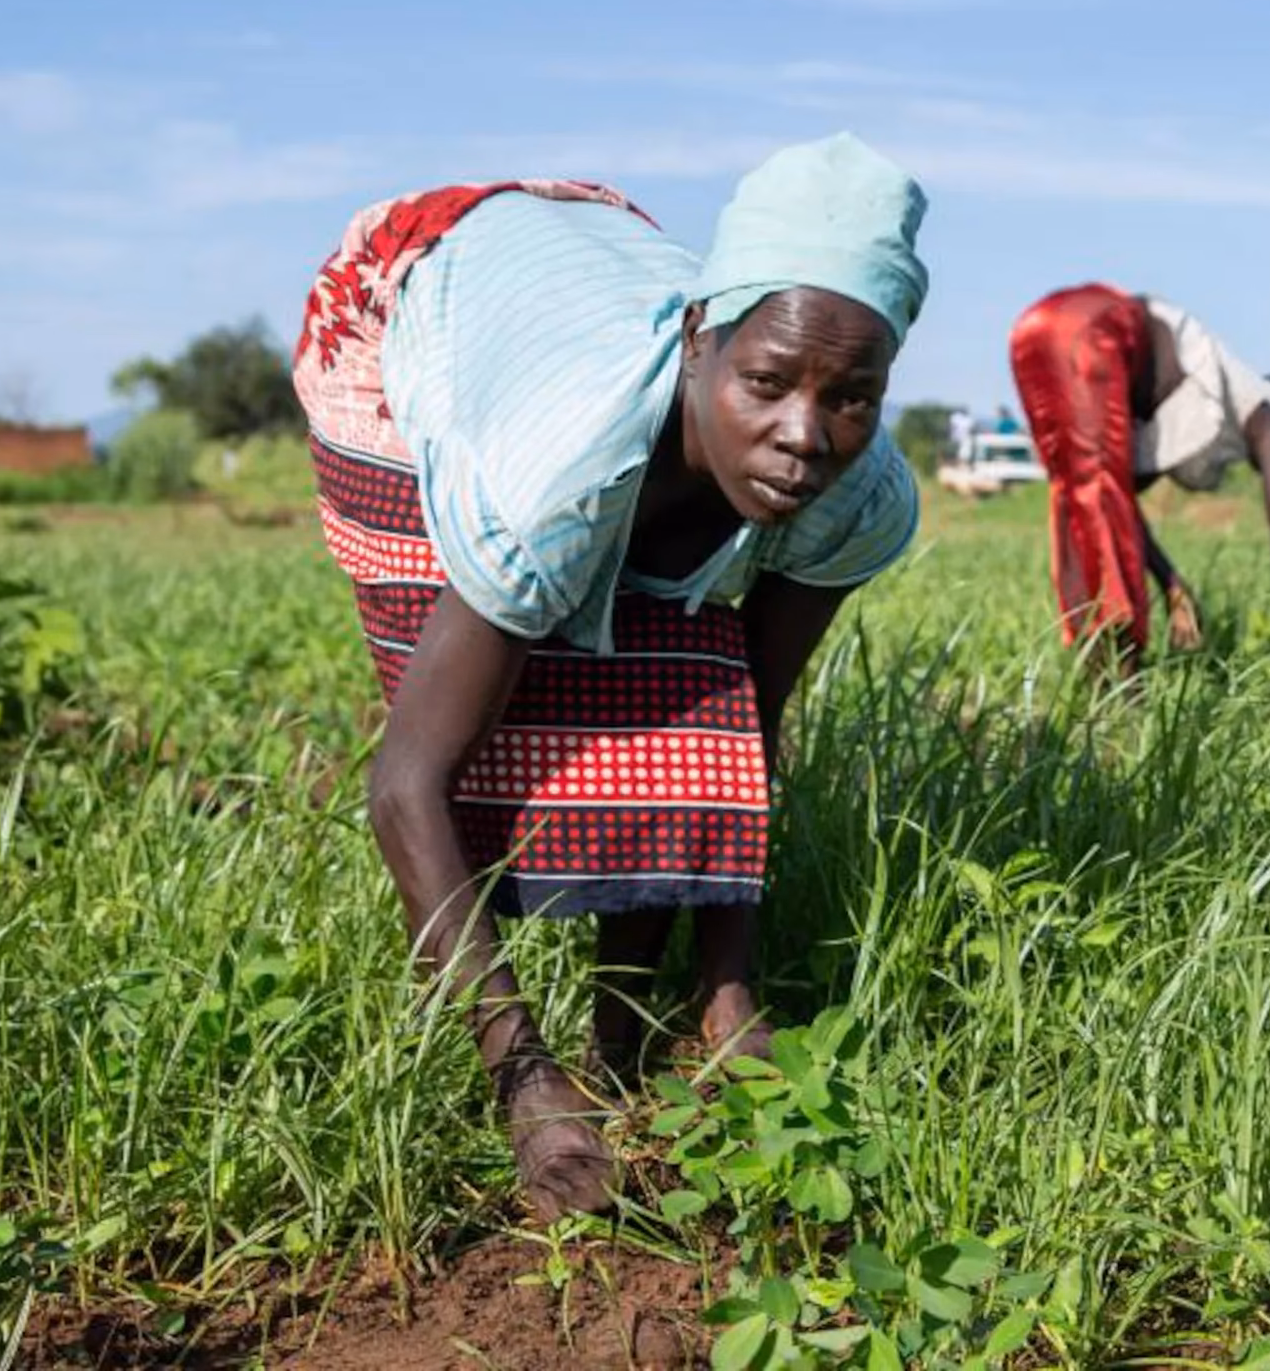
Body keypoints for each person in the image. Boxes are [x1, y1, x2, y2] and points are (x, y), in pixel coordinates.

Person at [292, 134, 928, 1221]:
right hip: (408, 293)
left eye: (852, 398)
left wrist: (728, 993)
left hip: (587, 254)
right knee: (493, 706)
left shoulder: (861, 497)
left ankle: (625, 1041)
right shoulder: (558, 471)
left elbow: (741, 734)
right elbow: (404, 783)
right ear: (700, 341)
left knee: (685, 698)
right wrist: (524, 1084)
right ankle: (548, 1064)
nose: (803, 436)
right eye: (767, 382)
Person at [1007, 284, 1270, 678]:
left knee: (1081, 502)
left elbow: (1123, 501)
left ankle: (1102, 683)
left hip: (1036, 329)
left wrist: (1171, 584)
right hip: (1092, 329)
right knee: (1092, 502)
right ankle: (1122, 685)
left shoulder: (1190, 401)